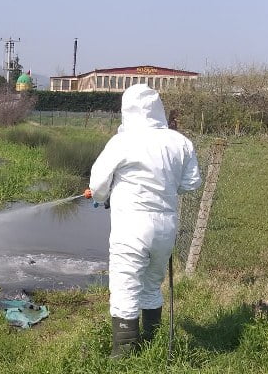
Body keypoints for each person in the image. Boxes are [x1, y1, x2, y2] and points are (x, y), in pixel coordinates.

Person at [84, 85, 201, 357]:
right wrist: (166, 188)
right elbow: (192, 183)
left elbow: (99, 183)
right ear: (157, 108)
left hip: (131, 226)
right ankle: (152, 341)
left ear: (127, 110)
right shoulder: (180, 142)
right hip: (165, 228)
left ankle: (124, 353)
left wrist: (103, 196)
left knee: (125, 285)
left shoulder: (121, 142)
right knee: (151, 284)